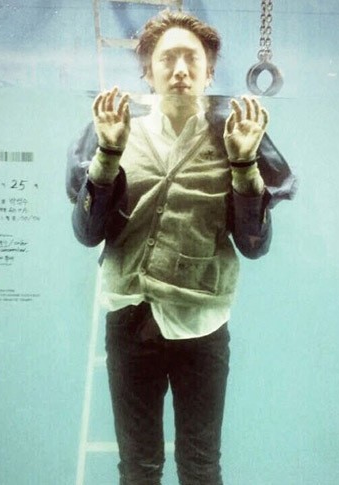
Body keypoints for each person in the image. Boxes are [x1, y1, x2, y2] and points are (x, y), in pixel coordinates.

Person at [67, 10, 296, 485]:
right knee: (138, 467)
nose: (179, 70)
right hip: (130, 317)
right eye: (166, 59)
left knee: (200, 466)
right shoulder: (115, 129)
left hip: (203, 322)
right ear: (147, 72)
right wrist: (108, 154)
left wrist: (244, 163)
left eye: (191, 59)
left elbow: (254, 246)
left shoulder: (231, 135)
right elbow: (87, 233)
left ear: (209, 72)